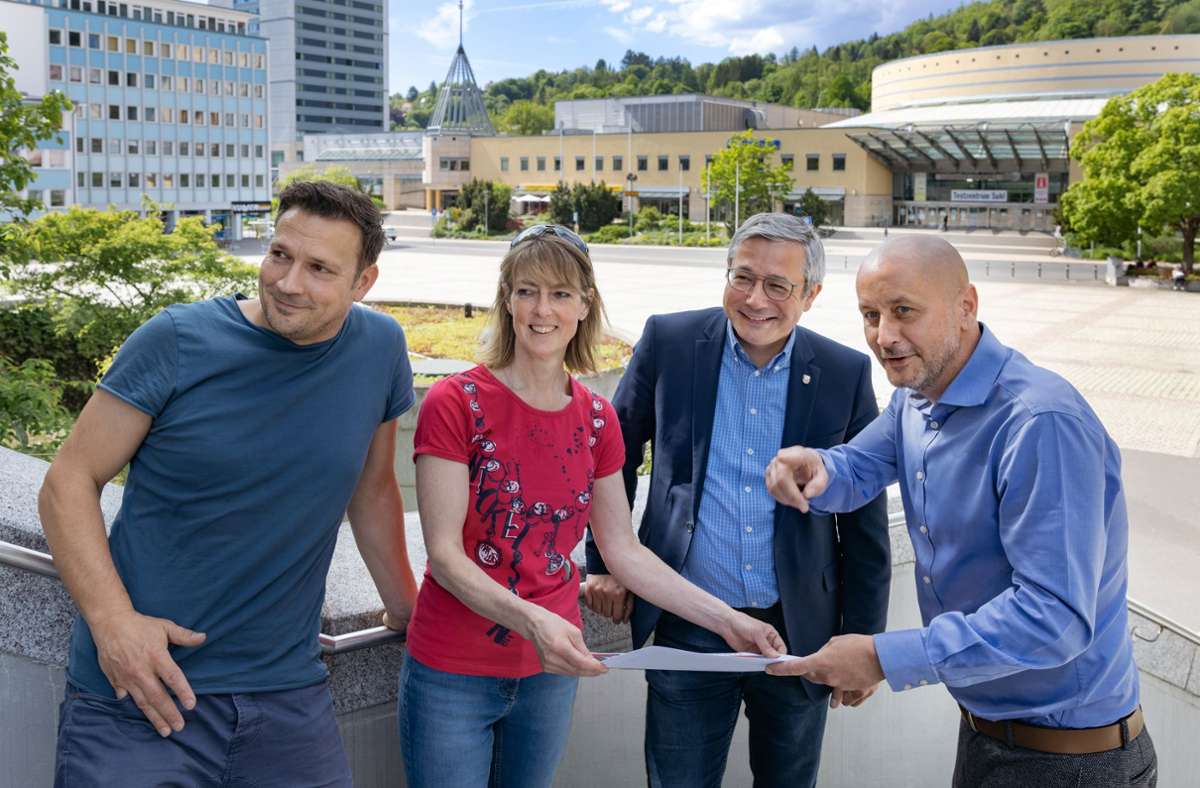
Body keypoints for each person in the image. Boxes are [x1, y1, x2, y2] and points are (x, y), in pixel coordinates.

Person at [39, 181, 420, 787]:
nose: (290, 282)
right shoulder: (177, 340)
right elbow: (68, 480)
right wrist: (114, 626)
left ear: (363, 282)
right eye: (279, 255)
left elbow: (372, 492)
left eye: (320, 268)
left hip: (288, 697)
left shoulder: (380, 348)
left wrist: (408, 610)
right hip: (141, 693)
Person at [400, 224, 785, 788]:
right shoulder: (454, 402)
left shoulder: (597, 419)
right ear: (506, 299)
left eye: (560, 294)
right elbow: (446, 555)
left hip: (551, 673)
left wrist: (732, 624)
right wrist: (537, 622)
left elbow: (623, 552)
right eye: (527, 290)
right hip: (453, 668)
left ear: (585, 306)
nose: (542, 310)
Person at [765, 235, 1157, 787]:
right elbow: (859, 466)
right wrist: (817, 467)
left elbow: (1054, 620)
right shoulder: (918, 393)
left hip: (1070, 761)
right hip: (985, 734)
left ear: (966, 306)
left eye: (904, 311)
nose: (884, 336)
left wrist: (882, 656)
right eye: (870, 314)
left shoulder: (1040, 424)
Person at [584, 212, 891, 788]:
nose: (755, 299)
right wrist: (604, 565)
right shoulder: (669, 342)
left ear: (812, 294)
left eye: (778, 285)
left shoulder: (843, 373)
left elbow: (865, 525)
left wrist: (864, 644)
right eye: (742, 277)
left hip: (799, 635)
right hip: (687, 625)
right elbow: (611, 459)